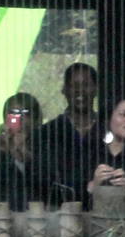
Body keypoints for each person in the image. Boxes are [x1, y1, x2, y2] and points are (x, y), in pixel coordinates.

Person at [33, 62, 103, 207]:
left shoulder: (108, 130)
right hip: (59, 217)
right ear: (64, 90)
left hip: (103, 215)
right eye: (74, 85)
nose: (80, 90)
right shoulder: (46, 133)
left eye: (86, 84)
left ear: (96, 89)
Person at [0, 92, 46, 211]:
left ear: (35, 118)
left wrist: (24, 157)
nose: (18, 118)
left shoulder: (46, 145)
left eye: (24, 113)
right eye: (13, 113)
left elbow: (49, 185)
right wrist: (3, 152)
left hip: (38, 216)